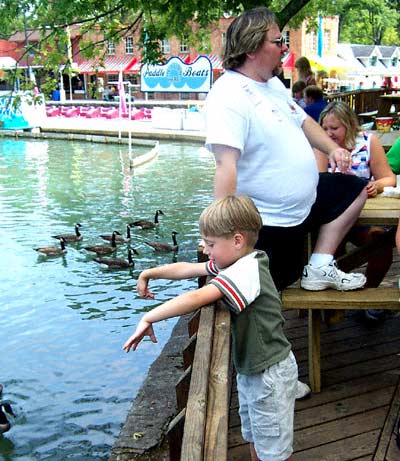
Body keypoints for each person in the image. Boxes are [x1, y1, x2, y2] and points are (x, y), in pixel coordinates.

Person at [204, 7, 368, 294]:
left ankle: (319, 265)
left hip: (303, 208)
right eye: (278, 41)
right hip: (267, 222)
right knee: (262, 300)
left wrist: (333, 150)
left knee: (354, 188)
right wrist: (219, 234)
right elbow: (225, 165)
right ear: (252, 48)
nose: (284, 48)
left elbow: (304, 121)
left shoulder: (273, 85)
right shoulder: (228, 94)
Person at [123, 195, 299, 461]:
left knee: (273, 452)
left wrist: (149, 317)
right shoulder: (240, 260)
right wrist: (149, 273)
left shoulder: (246, 271)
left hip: (268, 375)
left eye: (211, 243)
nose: (205, 248)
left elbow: (197, 297)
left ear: (237, 240)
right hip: (254, 370)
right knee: (256, 439)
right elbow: (189, 268)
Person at [315, 101, 396, 321]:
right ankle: (333, 304)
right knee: (330, 250)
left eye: (335, 128)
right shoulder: (321, 146)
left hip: (364, 217)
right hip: (334, 217)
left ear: (349, 125)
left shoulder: (369, 141)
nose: (329, 133)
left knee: (380, 242)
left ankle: (366, 296)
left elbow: (388, 178)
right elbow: (318, 182)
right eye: (325, 128)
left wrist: (376, 185)